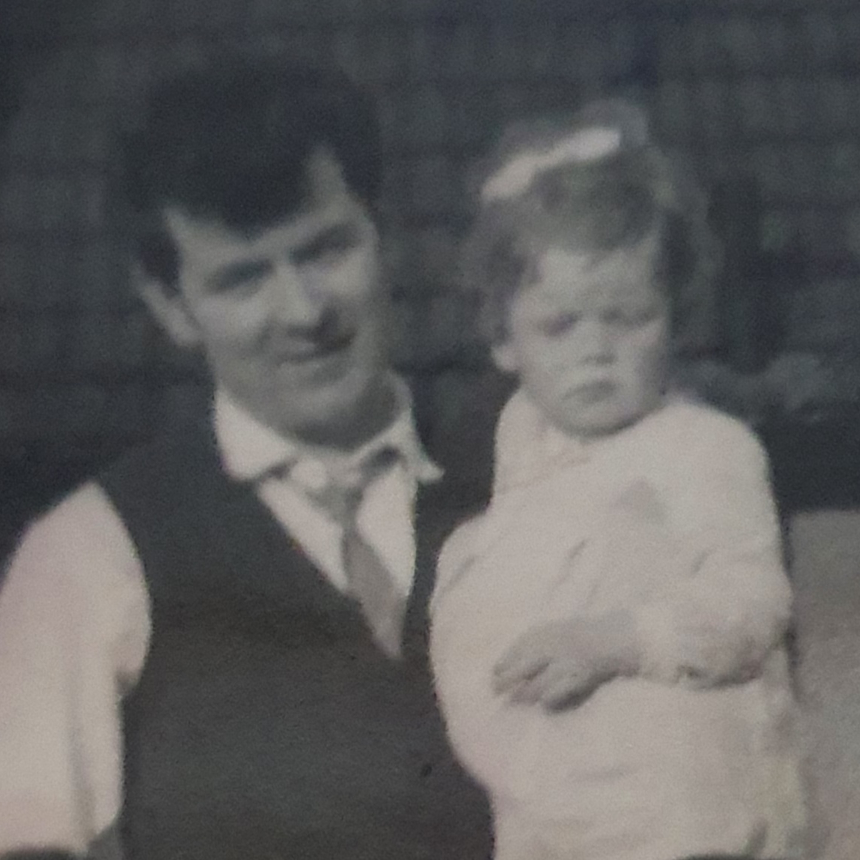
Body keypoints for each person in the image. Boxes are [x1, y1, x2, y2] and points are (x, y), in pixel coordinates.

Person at [0, 55, 492, 860]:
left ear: (384, 234)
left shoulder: (531, 475)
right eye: (242, 280)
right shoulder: (89, 555)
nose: (303, 312)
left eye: (326, 249)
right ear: (171, 306)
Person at [429, 100, 811, 860]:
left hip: (689, 808)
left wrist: (623, 640)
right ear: (505, 339)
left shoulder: (704, 448)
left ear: (674, 316)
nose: (596, 351)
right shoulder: (517, 466)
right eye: (561, 326)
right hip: (559, 817)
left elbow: (752, 600)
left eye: (628, 317)